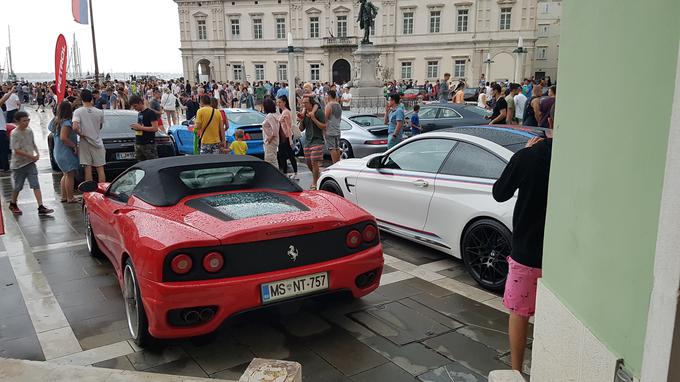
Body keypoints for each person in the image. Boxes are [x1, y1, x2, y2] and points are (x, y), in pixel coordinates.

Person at [492, 131, 553, 372]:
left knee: (519, 311)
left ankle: (516, 371)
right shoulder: (576, 156)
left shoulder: (529, 156)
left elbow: (500, 192)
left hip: (527, 249)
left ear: (548, 123)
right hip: (563, 252)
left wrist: (525, 152)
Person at [8, 111, 54, 216]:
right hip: (18, 165)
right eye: (24, 121)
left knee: (35, 184)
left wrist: (37, 153)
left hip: (30, 163)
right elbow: (16, 150)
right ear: (17, 121)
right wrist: (31, 156)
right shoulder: (15, 133)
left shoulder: (29, 130)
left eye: (28, 120)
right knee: (18, 186)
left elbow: (33, 143)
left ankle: (40, 206)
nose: (26, 122)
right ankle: (13, 203)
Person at [73, 89, 106, 183]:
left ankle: (90, 192)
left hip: (85, 142)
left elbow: (75, 127)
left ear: (81, 99)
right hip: (97, 141)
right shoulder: (99, 112)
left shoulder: (78, 112)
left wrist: (80, 134)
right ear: (91, 98)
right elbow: (100, 126)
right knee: (100, 168)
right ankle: (101, 191)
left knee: (87, 168)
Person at [51, 101, 80, 203]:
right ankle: (70, 197)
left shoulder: (55, 121)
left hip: (58, 151)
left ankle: (64, 196)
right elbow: (64, 138)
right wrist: (74, 146)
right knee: (70, 175)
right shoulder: (66, 123)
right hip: (65, 152)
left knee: (65, 174)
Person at [298, 96, 325, 190]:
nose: (304, 105)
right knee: (309, 163)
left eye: (305, 103)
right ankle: (317, 175)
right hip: (307, 141)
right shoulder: (304, 113)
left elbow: (324, 126)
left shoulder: (318, 112)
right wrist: (301, 120)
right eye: (303, 103)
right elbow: (301, 129)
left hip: (317, 140)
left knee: (314, 162)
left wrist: (314, 118)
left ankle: (315, 183)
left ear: (311, 103)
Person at [129, 96, 160, 161]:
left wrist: (141, 128)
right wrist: (137, 127)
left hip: (148, 143)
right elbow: (142, 126)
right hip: (139, 142)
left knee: (152, 164)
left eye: (135, 106)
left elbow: (155, 128)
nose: (135, 108)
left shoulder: (150, 112)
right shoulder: (140, 113)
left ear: (140, 103)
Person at [276, 96, 297, 177]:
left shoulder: (285, 112)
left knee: (286, 155)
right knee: (285, 155)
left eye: (280, 102)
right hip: (284, 136)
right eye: (278, 102)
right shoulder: (283, 112)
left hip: (286, 136)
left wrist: (290, 140)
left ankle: (289, 172)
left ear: (284, 102)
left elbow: (288, 126)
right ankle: (288, 172)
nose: (278, 104)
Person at [324, 90, 343, 164]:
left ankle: (335, 164)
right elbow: (340, 118)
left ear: (329, 96)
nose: (325, 97)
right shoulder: (338, 105)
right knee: (337, 147)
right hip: (337, 129)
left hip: (330, 129)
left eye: (326, 95)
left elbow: (325, 118)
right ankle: (338, 163)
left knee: (332, 148)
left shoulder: (329, 105)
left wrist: (324, 130)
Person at [261, 98, 280, 168]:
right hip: (273, 141)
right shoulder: (274, 115)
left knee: (270, 160)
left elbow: (275, 130)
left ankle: (275, 176)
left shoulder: (270, 116)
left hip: (271, 141)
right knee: (273, 159)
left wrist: (270, 139)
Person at [0, 87, 15, 172]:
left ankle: (1, 167)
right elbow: (4, 99)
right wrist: (11, 91)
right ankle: (5, 167)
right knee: (3, 150)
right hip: (1, 131)